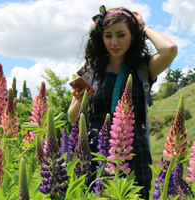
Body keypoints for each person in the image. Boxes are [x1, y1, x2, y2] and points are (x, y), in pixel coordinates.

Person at [66, 5, 177, 198]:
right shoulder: (91, 70)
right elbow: (72, 117)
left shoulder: (143, 67)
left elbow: (169, 49)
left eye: (121, 34)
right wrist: (78, 100)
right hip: (96, 152)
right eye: (108, 35)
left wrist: (143, 26)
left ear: (132, 35)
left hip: (132, 152)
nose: (114, 42)